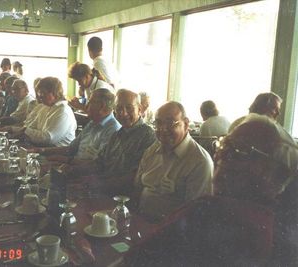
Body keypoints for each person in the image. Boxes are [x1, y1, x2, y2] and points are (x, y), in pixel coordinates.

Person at [123, 116, 298, 266]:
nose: (222, 154)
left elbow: (136, 259)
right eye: (224, 144)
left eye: (241, 150)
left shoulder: (206, 212)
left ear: (273, 174)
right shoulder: (273, 226)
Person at [62, 89, 156, 196]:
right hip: (105, 189)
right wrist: (73, 170)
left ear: (139, 109)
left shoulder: (147, 135)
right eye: (119, 108)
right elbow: (99, 163)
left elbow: (133, 176)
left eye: (129, 108)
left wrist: (96, 184)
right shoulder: (118, 134)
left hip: (123, 197)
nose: (123, 113)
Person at [135, 101, 213, 220]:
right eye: (158, 123)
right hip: (141, 220)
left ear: (186, 124)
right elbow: (137, 186)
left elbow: (195, 213)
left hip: (171, 231)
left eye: (171, 123)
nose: (163, 129)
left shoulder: (200, 161)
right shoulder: (152, 150)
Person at [32, 88, 121, 163]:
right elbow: (71, 149)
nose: (87, 105)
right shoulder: (93, 122)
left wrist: (66, 160)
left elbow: (97, 164)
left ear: (102, 106)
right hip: (74, 165)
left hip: (88, 175)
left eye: (90, 102)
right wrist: (41, 150)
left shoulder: (113, 130)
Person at [13, 77, 77, 147]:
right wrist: (16, 130)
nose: (40, 96)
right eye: (39, 93)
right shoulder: (44, 107)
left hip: (58, 153)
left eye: (43, 93)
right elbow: (30, 126)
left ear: (54, 93)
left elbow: (48, 138)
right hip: (41, 148)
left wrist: (25, 131)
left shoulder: (63, 111)